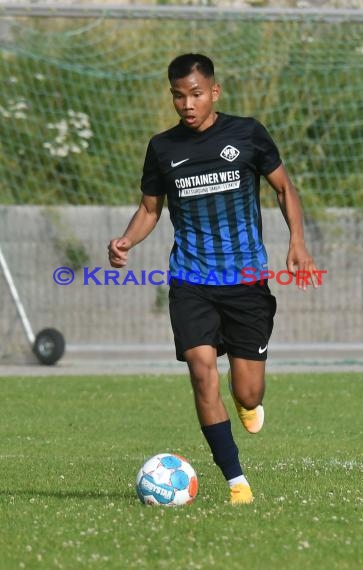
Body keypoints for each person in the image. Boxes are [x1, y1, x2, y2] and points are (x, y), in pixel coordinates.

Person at [108, 53, 319, 505]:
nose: (187, 104)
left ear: (214, 92)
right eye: (179, 96)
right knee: (202, 373)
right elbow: (150, 209)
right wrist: (126, 240)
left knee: (248, 389)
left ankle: (245, 401)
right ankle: (235, 481)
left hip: (245, 280)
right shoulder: (162, 147)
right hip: (191, 279)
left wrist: (296, 240)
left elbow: (284, 188)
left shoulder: (246, 133)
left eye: (196, 94)